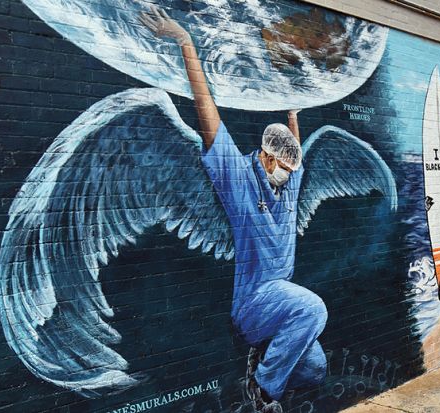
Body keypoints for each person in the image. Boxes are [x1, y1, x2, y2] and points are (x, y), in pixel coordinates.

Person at [140, 7, 327, 413]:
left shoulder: (287, 176)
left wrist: (294, 111)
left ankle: (266, 361)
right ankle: (261, 390)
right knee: (313, 308)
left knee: (315, 369)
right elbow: (207, 112)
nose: (291, 177)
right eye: (284, 168)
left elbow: (294, 150)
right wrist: (186, 42)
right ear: (265, 157)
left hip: (283, 299)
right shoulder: (236, 176)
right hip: (256, 303)